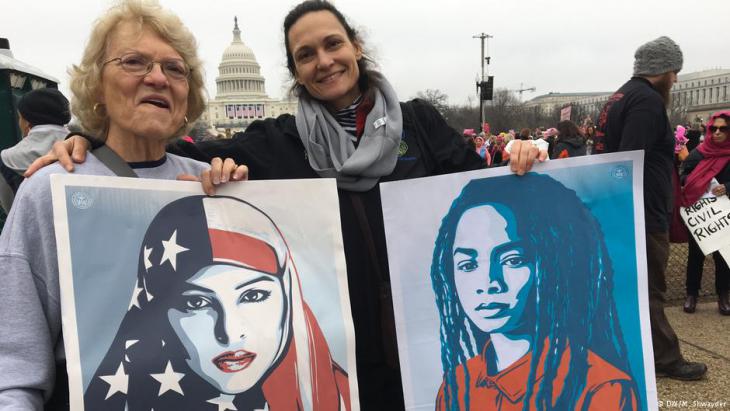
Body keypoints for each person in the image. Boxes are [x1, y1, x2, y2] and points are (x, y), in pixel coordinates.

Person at [27, 1, 546, 407]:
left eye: (332, 45)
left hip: (428, 335)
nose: (324, 61)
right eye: (305, 55)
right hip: (348, 345)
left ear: (355, 47)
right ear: (295, 72)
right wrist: (83, 140)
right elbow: (167, 154)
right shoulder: (275, 141)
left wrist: (523, 160)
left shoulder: (421, 124)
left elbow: (482, 194)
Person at [0, 1, 251, 409]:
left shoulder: (213, 184)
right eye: (134, 62)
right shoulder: (50, 189)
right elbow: (13, 366)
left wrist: (240, 205)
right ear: (98, 86)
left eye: (174, 69)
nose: (157, 78)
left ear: (188, 95)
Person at [84, 195, 350, 410]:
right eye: (197, 303)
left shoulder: (338, 396)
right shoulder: (129, 396)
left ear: (288, 295)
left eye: (253, 296)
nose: (231, 334)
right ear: (156, 309)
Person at [431, 174, 637, 410]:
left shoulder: (600, 387)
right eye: (467, 265)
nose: (489, 282)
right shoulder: (456, 386)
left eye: (513, 260)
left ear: (551, 265)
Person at [597, 35, 706, 380]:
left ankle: (632, 352)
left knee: (635, 286)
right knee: (650, 288)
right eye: (674, 72)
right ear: (662, 70)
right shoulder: (646, 102)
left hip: (630, 209)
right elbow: (629, 158)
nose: (675, 79)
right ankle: (666, 359)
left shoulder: (622, 96)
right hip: (641, 212)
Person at [679, 111, 730, 316]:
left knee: (723, 258)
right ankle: (691, 295)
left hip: (724, 215)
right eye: (713, 128)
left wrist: (727, 187)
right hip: (702, 215)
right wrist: (696, 184)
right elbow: (683, 175)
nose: (717, 132)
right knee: (695, 256)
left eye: (723, 129)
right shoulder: (698, 153)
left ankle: (723, 296)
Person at [0, 88, 70, 213]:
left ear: (27, 122)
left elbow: (11, 211)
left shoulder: (6, 159)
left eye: (20, 117)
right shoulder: (87, 146)